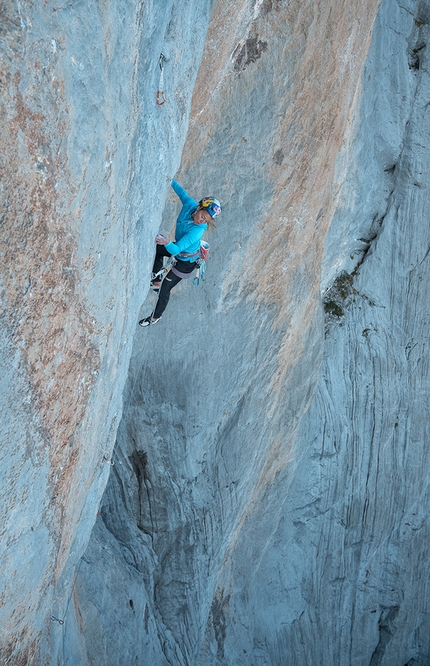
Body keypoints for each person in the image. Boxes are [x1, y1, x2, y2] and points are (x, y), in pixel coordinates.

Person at [139, 180, 222, 327]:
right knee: (157, 250)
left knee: (165, 289)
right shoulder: (189, 205)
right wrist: (168, 179)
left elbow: (176, 249)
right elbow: (181, 192)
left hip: (186, 264)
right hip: (179, 252)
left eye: (206, 220)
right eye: (203, 215)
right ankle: (155, 280)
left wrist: (167, 242)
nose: (202, 220)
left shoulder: (197, 231)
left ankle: (155, 317)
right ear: (199, 207)